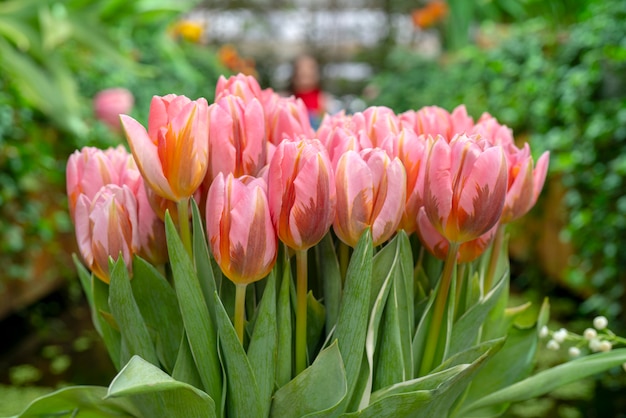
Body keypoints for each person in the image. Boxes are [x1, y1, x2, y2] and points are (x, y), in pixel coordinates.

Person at [290, 54, 327, 129]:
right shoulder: (288, 99)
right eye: (300, 72)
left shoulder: (322, 99)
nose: (304, 71)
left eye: (308, 74)